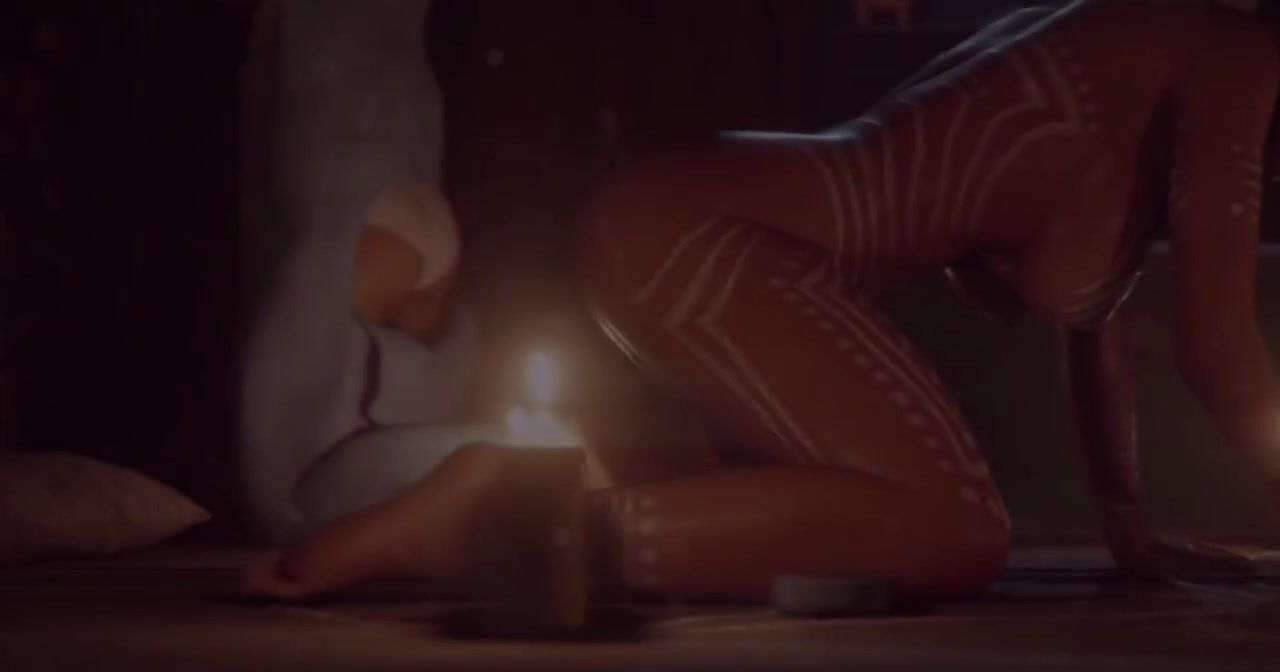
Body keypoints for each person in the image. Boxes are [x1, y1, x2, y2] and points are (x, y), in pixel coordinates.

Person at [243, 0, 1276, 601]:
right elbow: (1217, 347)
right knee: (955, 530)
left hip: (712, 240)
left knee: (911, 527)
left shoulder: (1155, 65)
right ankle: (503, 524)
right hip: (715, 236)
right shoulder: (1231, 50)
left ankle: (534, 503)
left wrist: (1129, 530)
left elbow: (1095, 317)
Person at [236, 0, 490, 541]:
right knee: (411, 391)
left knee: (290, 469)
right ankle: (441, 494)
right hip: (412, 188)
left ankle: (309, 515)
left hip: (359, 197)